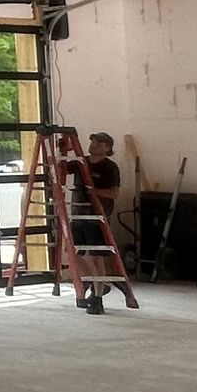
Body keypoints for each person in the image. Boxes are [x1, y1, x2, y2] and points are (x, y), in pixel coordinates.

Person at [72, 132, 123, 311]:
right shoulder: (80, 162)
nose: (93, 145)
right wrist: (63, 149)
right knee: (72, 254)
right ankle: (96, 283)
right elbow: (59, 167)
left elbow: (114, 193)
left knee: (96, 258)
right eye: (93, 142)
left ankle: (98, 297)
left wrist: (94, 192)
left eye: (99, 143)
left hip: (97, 218)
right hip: (78, 214)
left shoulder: (110, 168)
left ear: (107, 148)